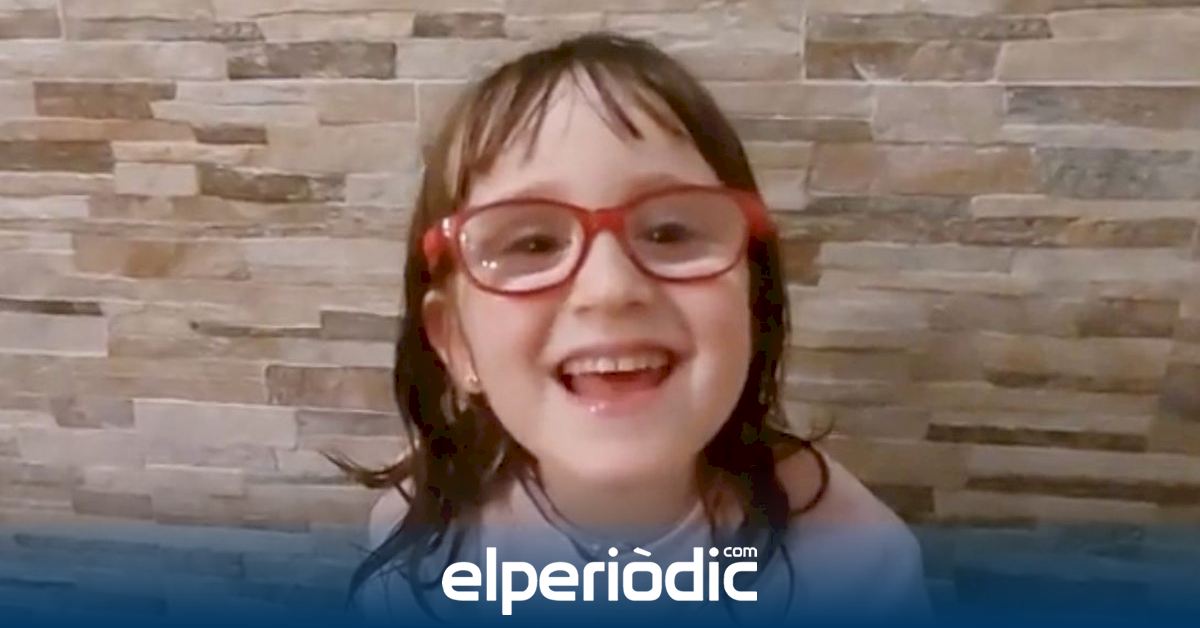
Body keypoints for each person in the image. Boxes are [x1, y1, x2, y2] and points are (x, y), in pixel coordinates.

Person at [335, 32, 931, 626]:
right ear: (456, 342)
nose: (610, 289)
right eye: (533, 244)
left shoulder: (855, 567)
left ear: (752, 301)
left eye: (669, 232)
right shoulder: (421, 543)